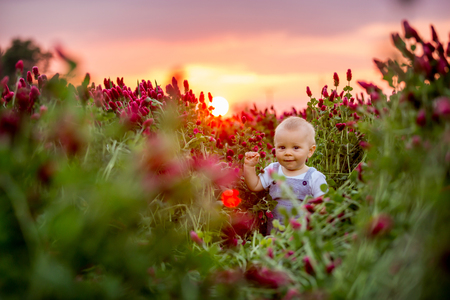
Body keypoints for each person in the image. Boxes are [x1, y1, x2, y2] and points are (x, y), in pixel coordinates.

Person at [244, 116, 327, 234]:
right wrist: (249, 167)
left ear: (310, 151)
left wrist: (320, 209)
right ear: (275, 148)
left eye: (296, 147)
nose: (288, 153)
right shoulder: (273, 170)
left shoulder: (314, 177)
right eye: (282, 147)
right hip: (274, 238)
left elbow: (324, 206)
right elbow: (255, 185)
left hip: (301, 238)